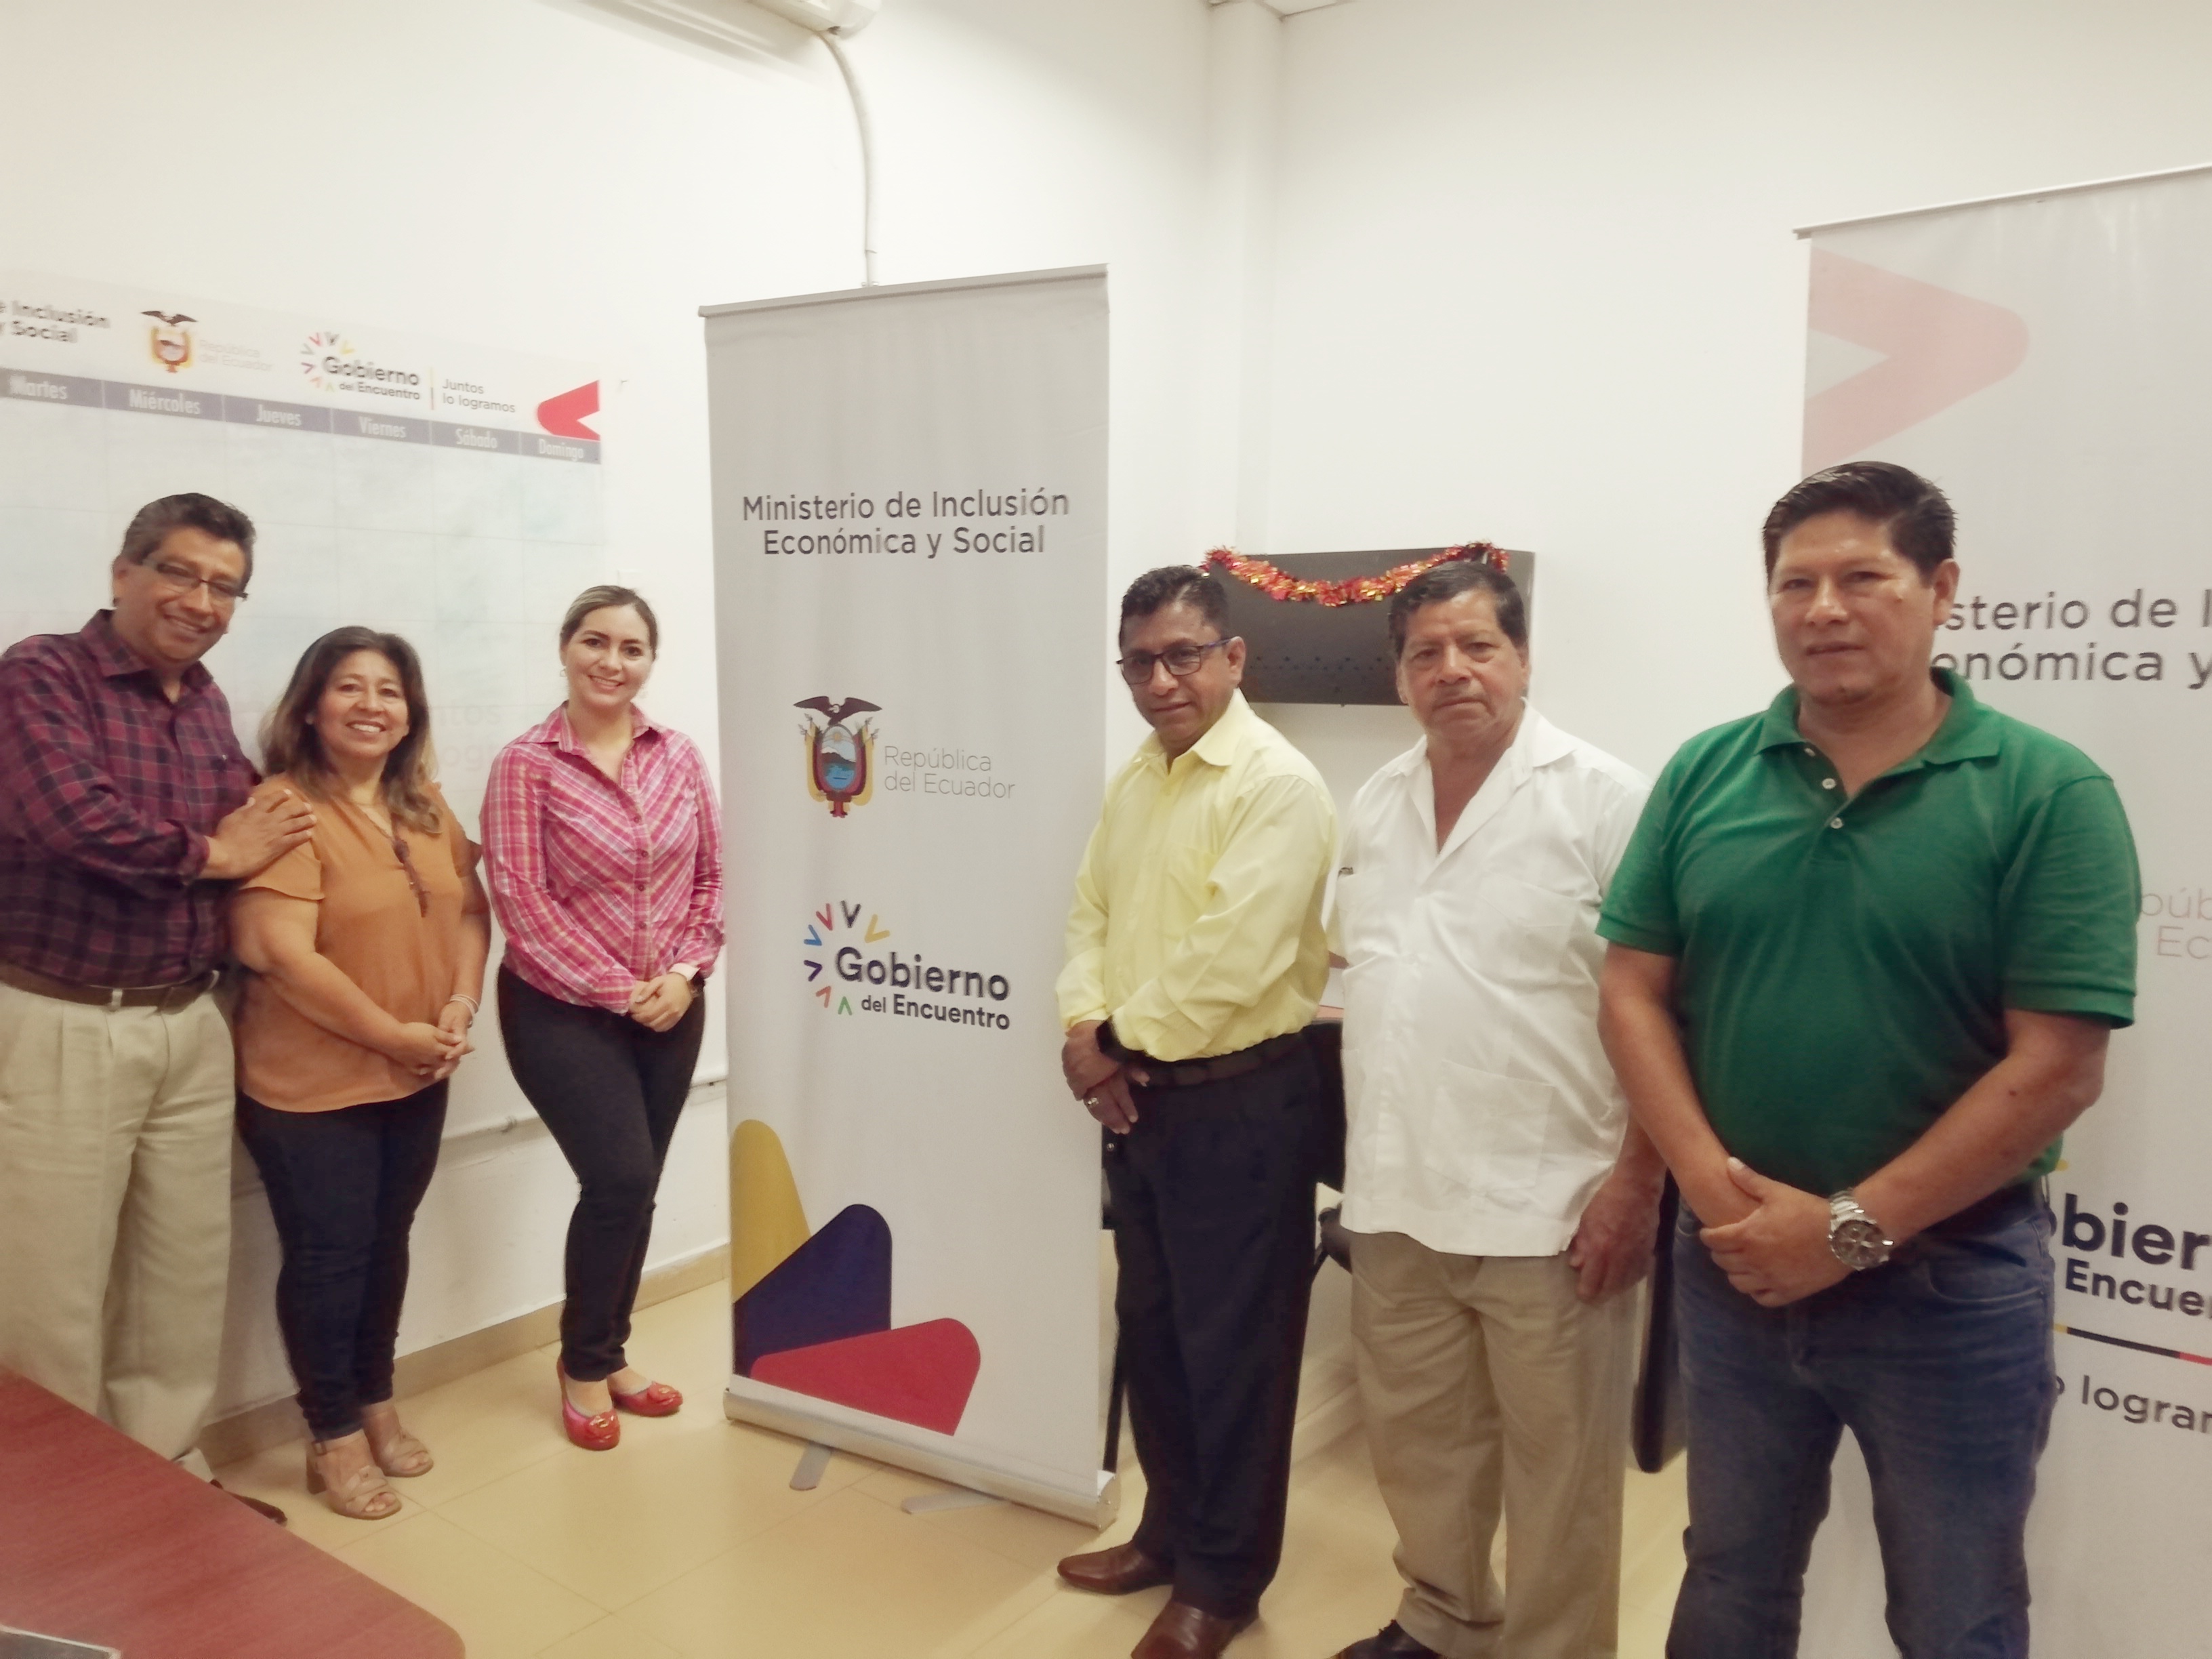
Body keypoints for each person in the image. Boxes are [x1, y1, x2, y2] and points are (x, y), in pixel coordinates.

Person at [1596, 462, 2139, 1659]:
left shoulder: (2047, 791)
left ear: (1940, 590)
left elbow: (2057, 1066)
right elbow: (1631, 987)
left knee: (1955, 1613)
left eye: (1862, 578)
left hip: (1948, 1284)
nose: (1824, 609)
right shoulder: (1703, 772)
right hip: (1733, 1266)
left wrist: (1843, 1230)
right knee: (1728, 1578)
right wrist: (1714, 1193)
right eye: (1795, 584)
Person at [1328, 557, 1662, 1659]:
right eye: (1425, 653)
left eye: (1477, 646)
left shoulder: (1605, 800)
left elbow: (1669, 1010)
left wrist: (1635, 1186)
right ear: (1399, 678)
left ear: (1522, 658)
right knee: (1420, 1445)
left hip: (1551, 1205)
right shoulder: (1376, 802)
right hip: (1397, 1195)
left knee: (1559, 1473)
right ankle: (1443, 1620)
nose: (1452, 670)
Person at [0, 493, 312, 1521]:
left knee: (179, 1277)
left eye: (224, 587)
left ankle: (167, 1490)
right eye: (180, 573)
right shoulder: (41, 675)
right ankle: (60, 1524)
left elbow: (259, 813)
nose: (200, 601)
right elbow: (71, 820)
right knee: (49, 1292)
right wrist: (217, 853)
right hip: (66, 1019)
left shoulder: (206, 703)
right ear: (124, 572)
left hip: (190, 1020)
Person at [1054, 565, 1336, 1659]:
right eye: (1139, 663)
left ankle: (1224, 1581)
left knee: (1236, 1354)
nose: (1160, 681)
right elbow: (1090, 914)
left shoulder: (1278, 785)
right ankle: (1165, 1535)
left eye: (1182, 656)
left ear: (1232, 657)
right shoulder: (1138, 777)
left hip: (1241, 1105)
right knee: (1156, 1332)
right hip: (1143, 1104)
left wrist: (1109, 1044)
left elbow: (1232, 956)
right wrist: (1090, 1032)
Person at [229, 628, 489, 1519]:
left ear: (410, 713)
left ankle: (375, 1398)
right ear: (311, 706)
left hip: (418, 1073)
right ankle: (332, 1433)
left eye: (390, 690)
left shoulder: (425, 804)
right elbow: (277, 951)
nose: (372, 705)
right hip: (311, 1089)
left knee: (387, 1243)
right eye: (350, 687)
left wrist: (458, 1008)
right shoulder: (284, 808)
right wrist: (393, 1036)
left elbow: (471, 911)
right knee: (329, 1257)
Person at [481, 585, 723, 1451]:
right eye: (595, 641)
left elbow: (712, 878)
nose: (611, 662)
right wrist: (625, 990)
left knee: (639, 1185)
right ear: (565, 648)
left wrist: (686, 974)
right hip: (559, 1010)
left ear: (650, 662)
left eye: (631, 648)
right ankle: (582, 1364)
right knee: (618, 1177)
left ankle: (610, 1352)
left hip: (674, 1002)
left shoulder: (678, 755)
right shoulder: (525, 765)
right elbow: (523, 903)